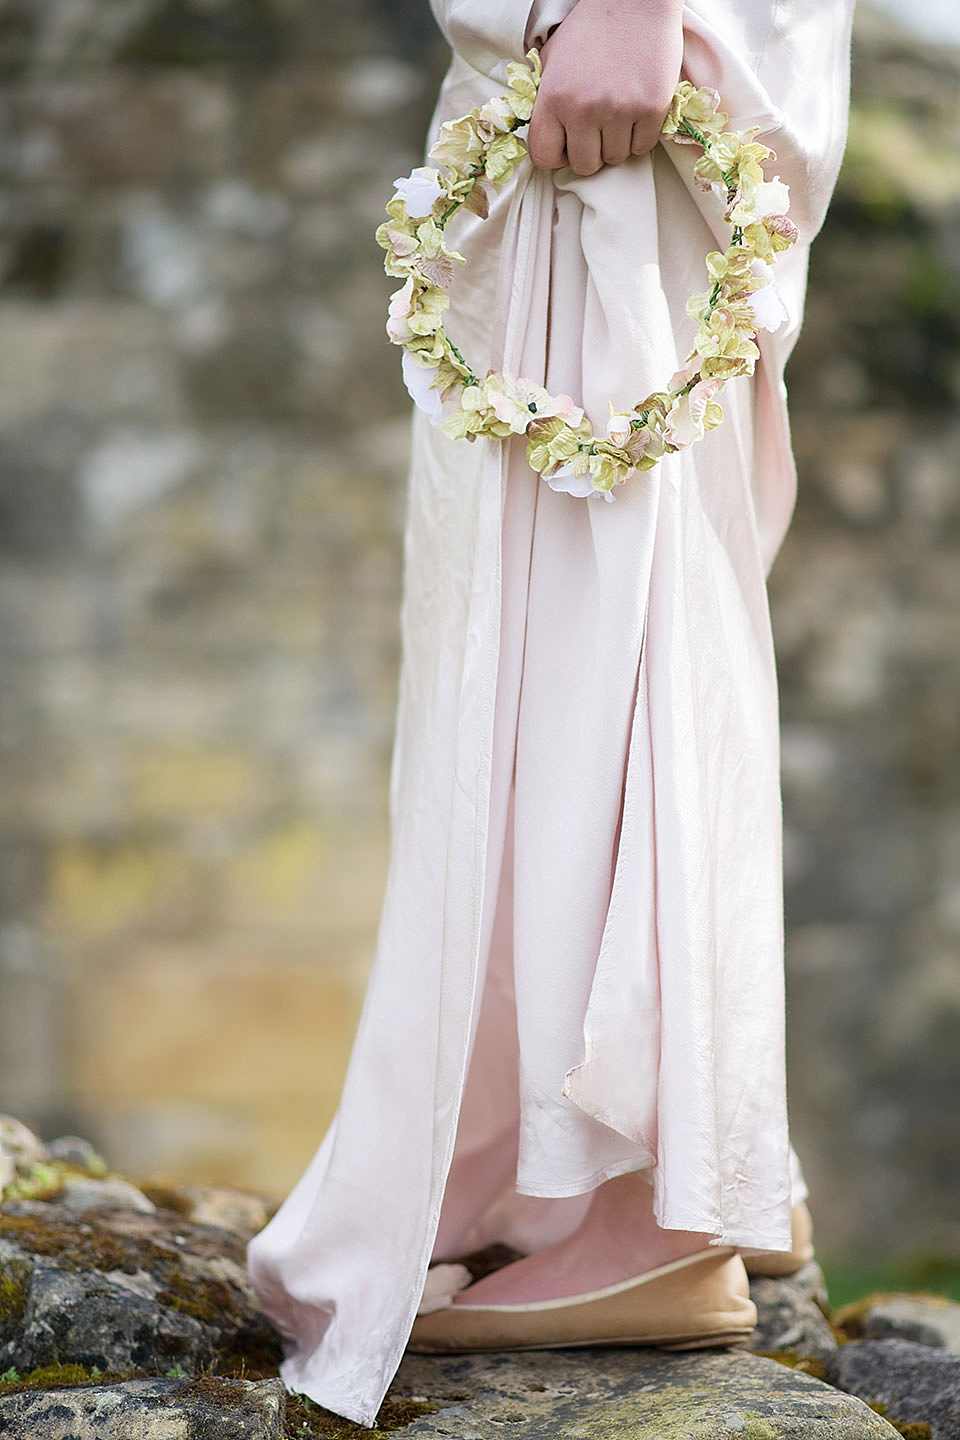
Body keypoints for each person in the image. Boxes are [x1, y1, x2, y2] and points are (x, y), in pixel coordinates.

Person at [246, 0, 855, 1426]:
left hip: (612, 68)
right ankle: (574, 1160)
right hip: (559, 69)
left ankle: (652, 1206)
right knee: (526, 619)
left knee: (611, 609)